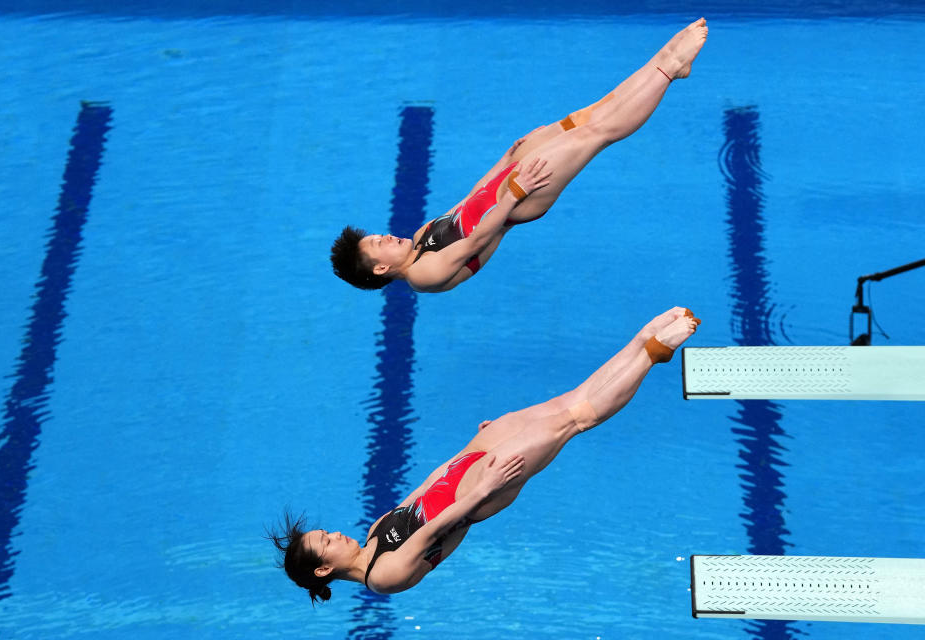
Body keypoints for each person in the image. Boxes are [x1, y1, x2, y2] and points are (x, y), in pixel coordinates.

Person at [270, 308, 700, 601]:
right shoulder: (381, 577)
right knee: (576, 419)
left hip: (469, 464)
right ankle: (653, 354)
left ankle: (641, 341)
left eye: (325, 531)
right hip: (479, 492)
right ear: (324, 570)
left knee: (570, 400)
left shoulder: (374, 531)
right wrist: (485, 487)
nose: (335, 534)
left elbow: (425, 487)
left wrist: (471, 445)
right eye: (326, 542)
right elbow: (435, 529)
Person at [330, 19, 708, 293]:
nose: (388, 236)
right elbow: (477, 241)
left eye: (379, 234)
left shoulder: (420, 236)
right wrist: (515, 192)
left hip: (505, 181)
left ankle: (664, 60)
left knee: (582, 120)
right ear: (381, 268)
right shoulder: (422, 276)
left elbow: (467, 202)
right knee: (597, 133)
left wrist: (503, 160)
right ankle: (668, 68)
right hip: (517, 200)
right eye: (380, 243)